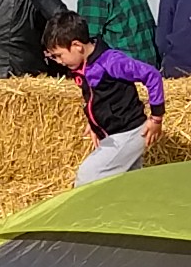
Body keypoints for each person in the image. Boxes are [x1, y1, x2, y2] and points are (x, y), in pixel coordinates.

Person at [47, 16, 165, 183]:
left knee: (87, 175)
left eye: (59, 55)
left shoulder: (111, 62)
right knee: (127, 182)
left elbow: (152, 75)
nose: (59, 62)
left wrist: (156, 118)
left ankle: (84, 208)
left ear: (77, 46)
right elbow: (98, 98)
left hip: (128, 131)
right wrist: (94, 121)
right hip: (115, 133)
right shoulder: (85, 65)